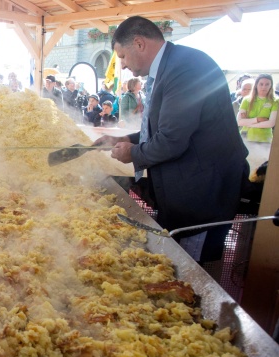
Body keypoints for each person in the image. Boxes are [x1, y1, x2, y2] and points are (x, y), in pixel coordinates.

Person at [94, 15, 249, 264]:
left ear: (139, 43)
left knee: (189, 269)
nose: (121, 65)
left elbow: (171, 140)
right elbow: (163, 127)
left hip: (201, 198)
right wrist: (124, 138)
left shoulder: (185, 69)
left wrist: (132, 153)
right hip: (188, 191)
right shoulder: (172, 65)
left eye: (122, 56)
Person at [237, 74, 278, 144]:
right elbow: (239, 122)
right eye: (261, 84)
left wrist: (249, 123)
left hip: (265, 139)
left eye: (267, 84)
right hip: (245, 138)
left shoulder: (275, 101)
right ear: (256, 85)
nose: (264, 87)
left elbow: (271, 123)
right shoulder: (246, 100)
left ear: (271, 86)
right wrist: (258, 119)